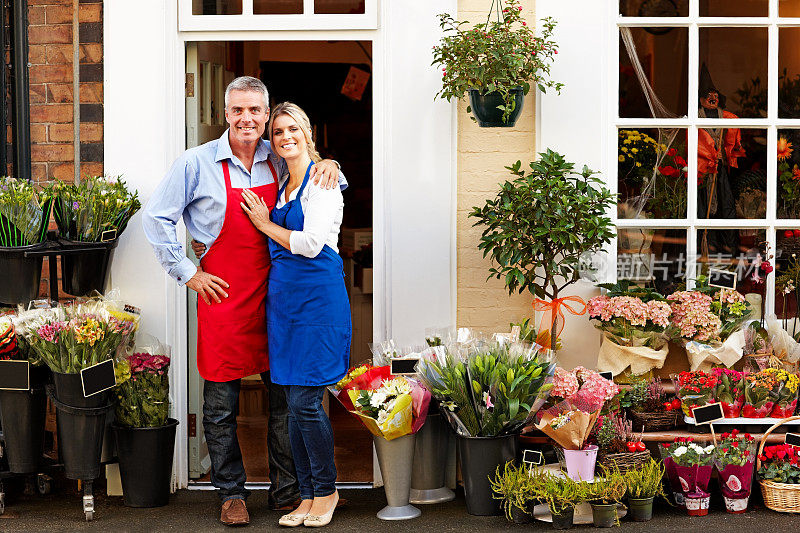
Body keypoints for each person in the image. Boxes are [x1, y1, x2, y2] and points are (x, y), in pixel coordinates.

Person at [142, 76, 343, 527]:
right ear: (226, 113)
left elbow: (324, 180)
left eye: (256, 111)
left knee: (284, 399)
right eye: (238, 111)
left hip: (277, 295)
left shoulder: (280, 154)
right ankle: (231, 493)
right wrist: (189, 273)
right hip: (225, 294)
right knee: (220, 403)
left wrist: (329, 161)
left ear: (267, 114)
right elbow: (156, 218)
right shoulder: (196, 163)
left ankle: (287, 490)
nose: (247, 119)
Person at [238, 102, 350, 528]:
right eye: (278, 131)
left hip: (318, 301)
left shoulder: (324, 181)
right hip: (284, 303)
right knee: (291, 401)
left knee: (306, 403)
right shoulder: (284, 181)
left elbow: (310, 244)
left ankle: (327, 490)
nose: (285, 137)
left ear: (307, 132)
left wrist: (264, 224)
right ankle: (306, 494)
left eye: (293, 130)